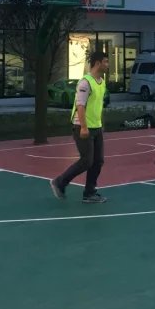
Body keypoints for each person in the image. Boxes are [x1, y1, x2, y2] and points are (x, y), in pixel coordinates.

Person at [50, 51, 109, 203]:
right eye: (106, 62)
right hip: (82, 126)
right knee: (86, 161)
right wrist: (83, 127)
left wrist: (101, 124)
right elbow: (80, 105)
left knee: (98, 161)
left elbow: (98, 105)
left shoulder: (102, 82)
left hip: (96, 127)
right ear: (97, 63)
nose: (108, 65)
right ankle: (60, 182)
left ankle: (89, 193)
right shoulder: (85, 83)